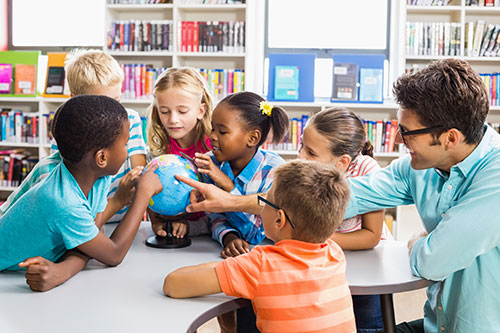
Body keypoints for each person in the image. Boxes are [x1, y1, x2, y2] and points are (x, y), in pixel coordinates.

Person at [340, 58, 500, 333]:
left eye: (407, 132)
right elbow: (351, 196)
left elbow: (431, 261)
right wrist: (253, 202)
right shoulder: (420, 166)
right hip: (437, 325)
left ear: (450, 138)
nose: (399, 140)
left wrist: (417, 242)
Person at [164, 160, 356, 333]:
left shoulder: (261, 265)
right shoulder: (334, 253)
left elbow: (173, 284)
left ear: (279, 219)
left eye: (264, 201)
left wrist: (234, 265)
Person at [0, 96, 162, 288]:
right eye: (125, 144)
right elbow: (113, 254)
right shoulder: (63, 201)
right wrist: (143, 194)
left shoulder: (97, 176)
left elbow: (92, 238)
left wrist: (64, 270)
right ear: (102, 158)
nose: (128, 151)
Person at [0, 49, 148, 224]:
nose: (114, 112)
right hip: (84, 220)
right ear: (74, 101)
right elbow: (64, 192)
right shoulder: (68, 130)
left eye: (117, 101)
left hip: (121, 219)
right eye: (103, 105)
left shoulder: (130, 119)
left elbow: (139, 171)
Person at [298, 107, 388, 332]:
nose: (300, 156)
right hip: (324, 258)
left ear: (342, 162)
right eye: (302, 145)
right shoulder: (304, 169)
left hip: (366, 262)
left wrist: (318, 238)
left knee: (368, 324)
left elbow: (371, 237)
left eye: (310, 152)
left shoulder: (368, 172)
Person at [194, 91, 288, 258]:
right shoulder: (210, 165)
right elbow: (214, 216)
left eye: (222, 132)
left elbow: (256, 234)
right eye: (213, 128)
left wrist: (228, 186)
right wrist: (229, 237)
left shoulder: (275, 171)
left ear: (252, 138)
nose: (212, 136)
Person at [146, 67, 214, 239]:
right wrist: (156, 223)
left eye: (182, 111)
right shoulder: (160, 149)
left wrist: (192, 226)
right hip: (172, 232)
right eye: (164, 111)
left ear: (201, 110)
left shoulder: (213, 148)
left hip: (210, 231)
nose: (173, 119)